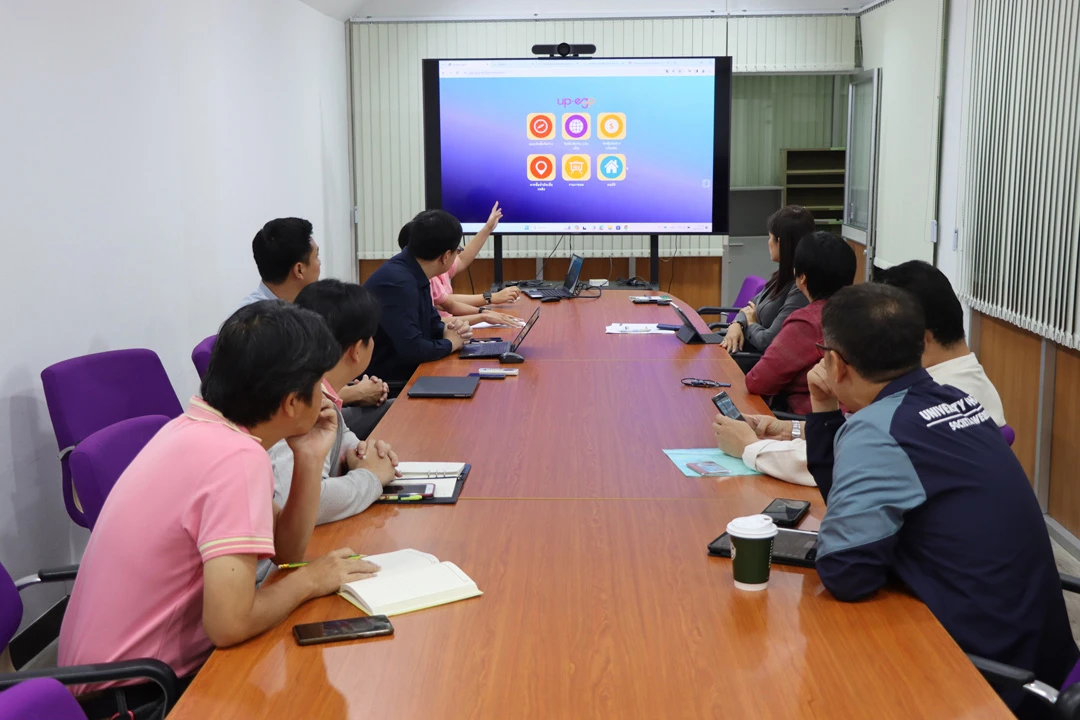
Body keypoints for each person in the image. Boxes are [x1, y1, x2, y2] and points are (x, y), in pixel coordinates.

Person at [59, 302, 381, 717]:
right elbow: (230, 624)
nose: (327, 393)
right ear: (290, 403)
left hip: (111, 681)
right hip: (137, 697)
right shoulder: (235, 458)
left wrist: (308, 458)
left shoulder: (199, 427)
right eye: (319, 381)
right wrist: (311, 582)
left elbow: (287, 553)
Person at [807, 284, 1077, 719]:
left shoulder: (879, 429)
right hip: (1044, 660)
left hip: (981, 680)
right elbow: (845, 500)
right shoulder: (959, 401)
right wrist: (823, 410)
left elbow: (845, 573)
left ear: (836, 363)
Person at [713, 260, 1007, 486]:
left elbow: (843, 463)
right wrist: (785, 430)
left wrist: (751, 448)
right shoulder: (958, 381)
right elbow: (852, 434)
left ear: (919, 336)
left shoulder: (939, 398)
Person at [272, 280, 400, 527]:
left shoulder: (312, 382)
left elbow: (340, 434)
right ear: (356, 350)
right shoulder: (296, 404)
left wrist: (361, 451)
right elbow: (301, 503)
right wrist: (370, 476)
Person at [743, 232, 856, 414]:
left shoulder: (808, 322)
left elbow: (758, 382)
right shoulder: (864, 311)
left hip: (808, 421)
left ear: (801, 278)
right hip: (852, 418)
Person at [364, 210, 474, 386]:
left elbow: (432, 324)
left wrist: (451, 330)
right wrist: (451, 343)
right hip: (387, 384)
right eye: (457, 251)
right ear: (446, 256)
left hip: (409, 372)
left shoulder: (414, 272)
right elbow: (413, 349)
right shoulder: (399, 283)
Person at [399, 202, 523, 327]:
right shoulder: (423, 278)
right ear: (445, 256)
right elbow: (432, 323)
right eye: (457, 250)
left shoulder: (434, 266)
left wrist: (488, 228)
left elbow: (449, 303)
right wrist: (488, 302)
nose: (458, 255)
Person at [721, 205, 816, 354]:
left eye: (770, 237)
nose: (768, 242)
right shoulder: (782, 276)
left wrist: (751, 323)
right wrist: (737, 324)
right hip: (743, 349)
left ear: (781, 242)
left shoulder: (800, 288)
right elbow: (750, 306)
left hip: (752, 360)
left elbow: (768, 342)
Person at [241, 217, 322, 305]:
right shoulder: (254, 317)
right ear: (299, 270)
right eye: (316, 256)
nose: (319, 263)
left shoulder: (312, 305)